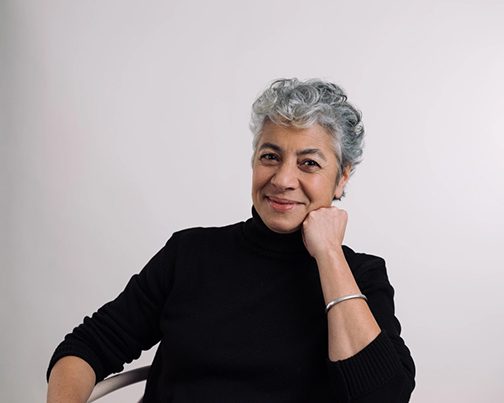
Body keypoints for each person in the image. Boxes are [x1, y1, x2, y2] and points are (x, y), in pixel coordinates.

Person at [47, 78, 415, 402]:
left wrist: (329, 254)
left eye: (309, 163)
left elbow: (384, 396)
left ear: (342, 178)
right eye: (270, 156)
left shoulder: (361, 276)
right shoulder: (189, 254)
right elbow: (87, 347)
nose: (283, 179)